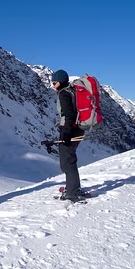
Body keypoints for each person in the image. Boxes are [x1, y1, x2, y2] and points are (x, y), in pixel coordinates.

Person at [51, 69, 85, 202]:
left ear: (59, 82)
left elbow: (68, 114)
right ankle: (73, 188)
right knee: (69, 160)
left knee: (67, 162)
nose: (53, 86)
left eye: (54, 83)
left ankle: (73, 192)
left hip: (70, 131)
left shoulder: (64, 93)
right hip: (78, 129)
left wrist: (65, 133)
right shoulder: (73, 91)